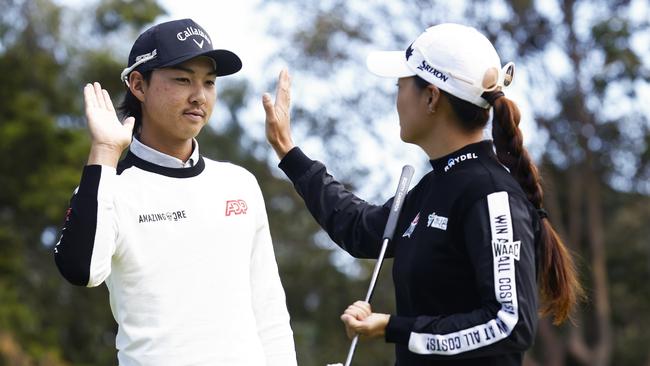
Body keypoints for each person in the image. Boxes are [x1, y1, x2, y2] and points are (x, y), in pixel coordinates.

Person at [263, 23, 582, 365]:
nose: (396, 99)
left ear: (431, 97)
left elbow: (509, 324)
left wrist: (394, 328)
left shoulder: (491, 194)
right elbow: (359, 229)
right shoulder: (435, 186)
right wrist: (287, 151)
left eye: (400, 86)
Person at [54, 18, 297, 366]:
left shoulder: (239, 182)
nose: (199, 96)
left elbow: (269, 311)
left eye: (209, 82)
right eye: (183, 79)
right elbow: (81, 270)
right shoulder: (110, 187)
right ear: (138, 84)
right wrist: (105, 152)